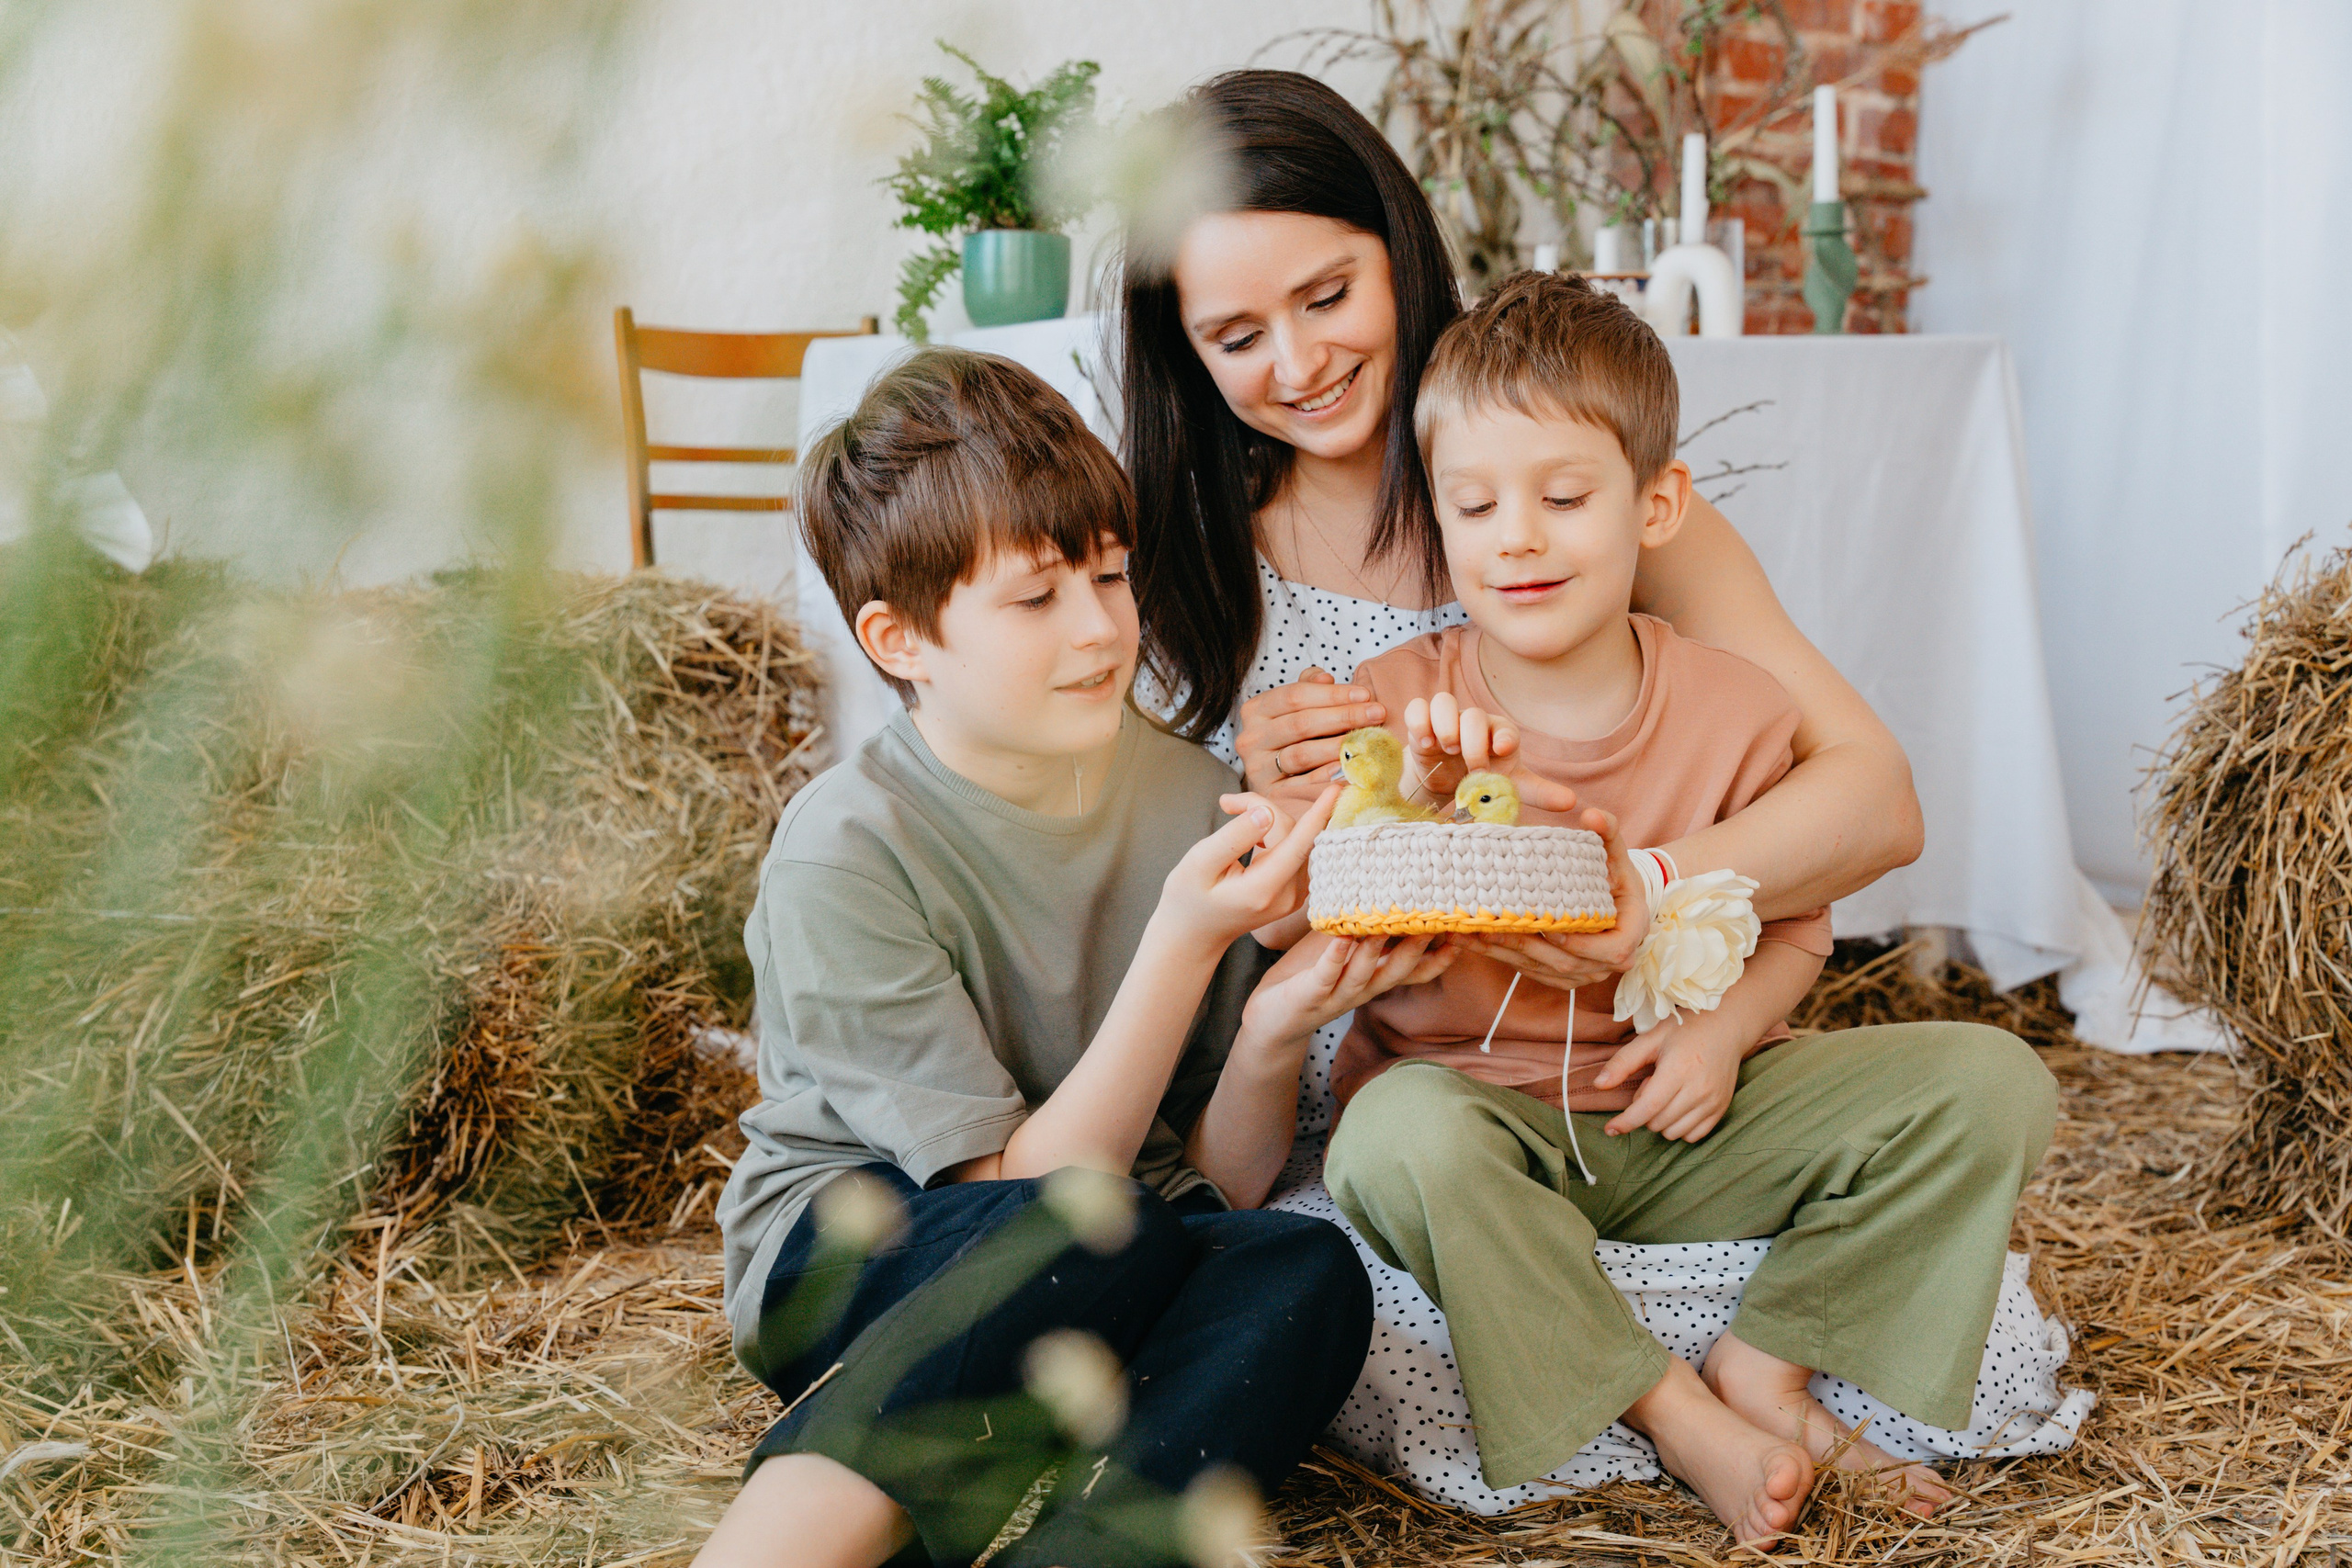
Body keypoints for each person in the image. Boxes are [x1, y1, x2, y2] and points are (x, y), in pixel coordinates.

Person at [1283, 270, 2057, 1546]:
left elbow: (1795, 925)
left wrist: (1724, 1032)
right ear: (1439, 516)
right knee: (1391, 1136)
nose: (1515, 539)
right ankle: (1671, 1410)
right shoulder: (1402, 704)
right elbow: (1325, 902)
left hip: (1690, 1119)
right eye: (1475, 506)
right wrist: (1415, 800)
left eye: (1563, 499)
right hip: (1483, 1128)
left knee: (1992, 1083)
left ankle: (1769, 1366)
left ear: (1657, 506)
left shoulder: (1739, 709)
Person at [695, 348, 1453, 1568]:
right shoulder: (847, 849)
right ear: (903, 639)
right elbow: (1024, 1189)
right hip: (862, 1251)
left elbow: (1206, 1184)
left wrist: (1273, 1022)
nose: (1101, 627)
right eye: (1036, 599)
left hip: (1104, 1239)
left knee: (1303, 1268)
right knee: (1088, 1225)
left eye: (1108, 574)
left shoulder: (1189, 798)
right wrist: (1183, 940)